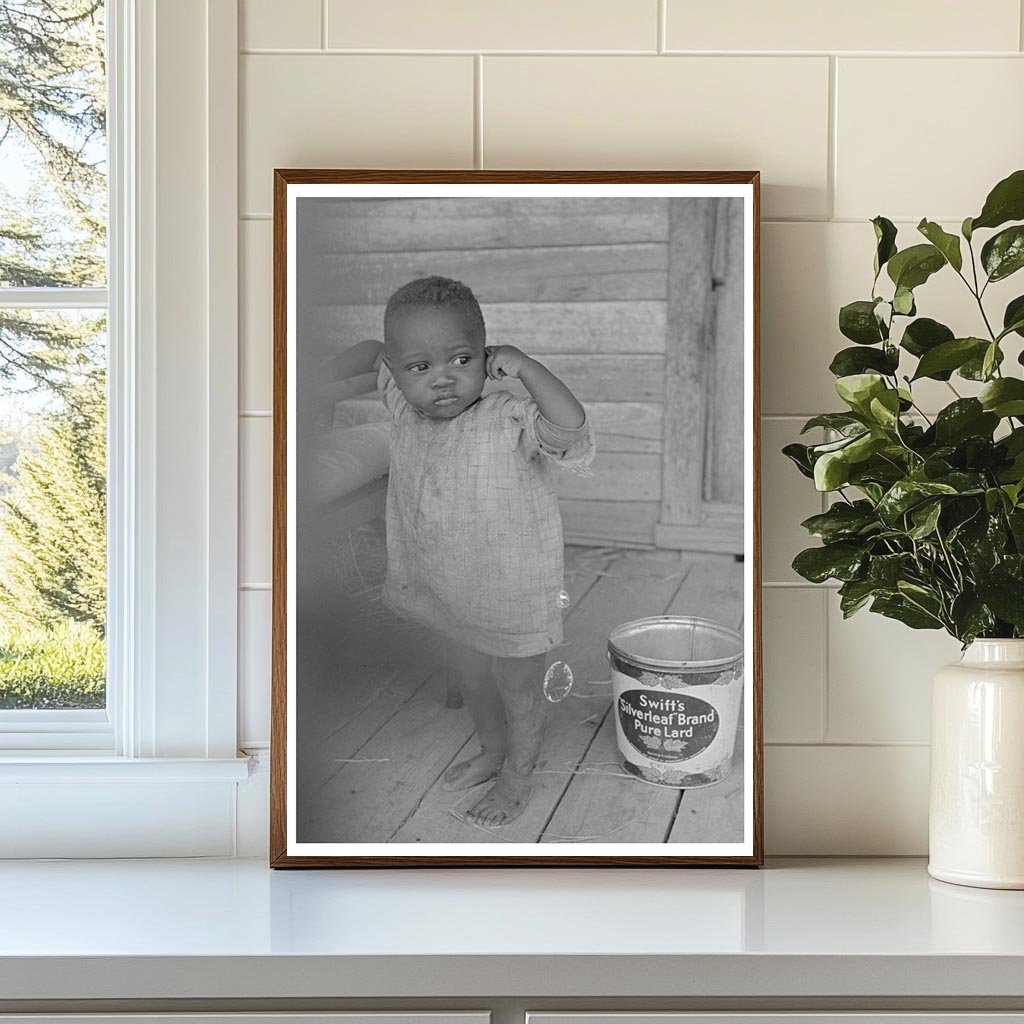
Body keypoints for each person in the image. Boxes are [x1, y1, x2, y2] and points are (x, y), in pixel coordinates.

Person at [335, 275, 595, 826]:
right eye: (421, 368)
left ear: (487, 355)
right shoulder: (403, 409)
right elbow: (373, 352)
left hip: (512, 591)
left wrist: (525, 366)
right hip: (446, 589)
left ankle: (519, 776)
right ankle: (493, 750)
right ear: (399, 373)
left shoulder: (508, 417)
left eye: (460, 359)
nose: (445, 379)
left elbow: (570, 427)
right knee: (474, 677)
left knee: (518, 687)